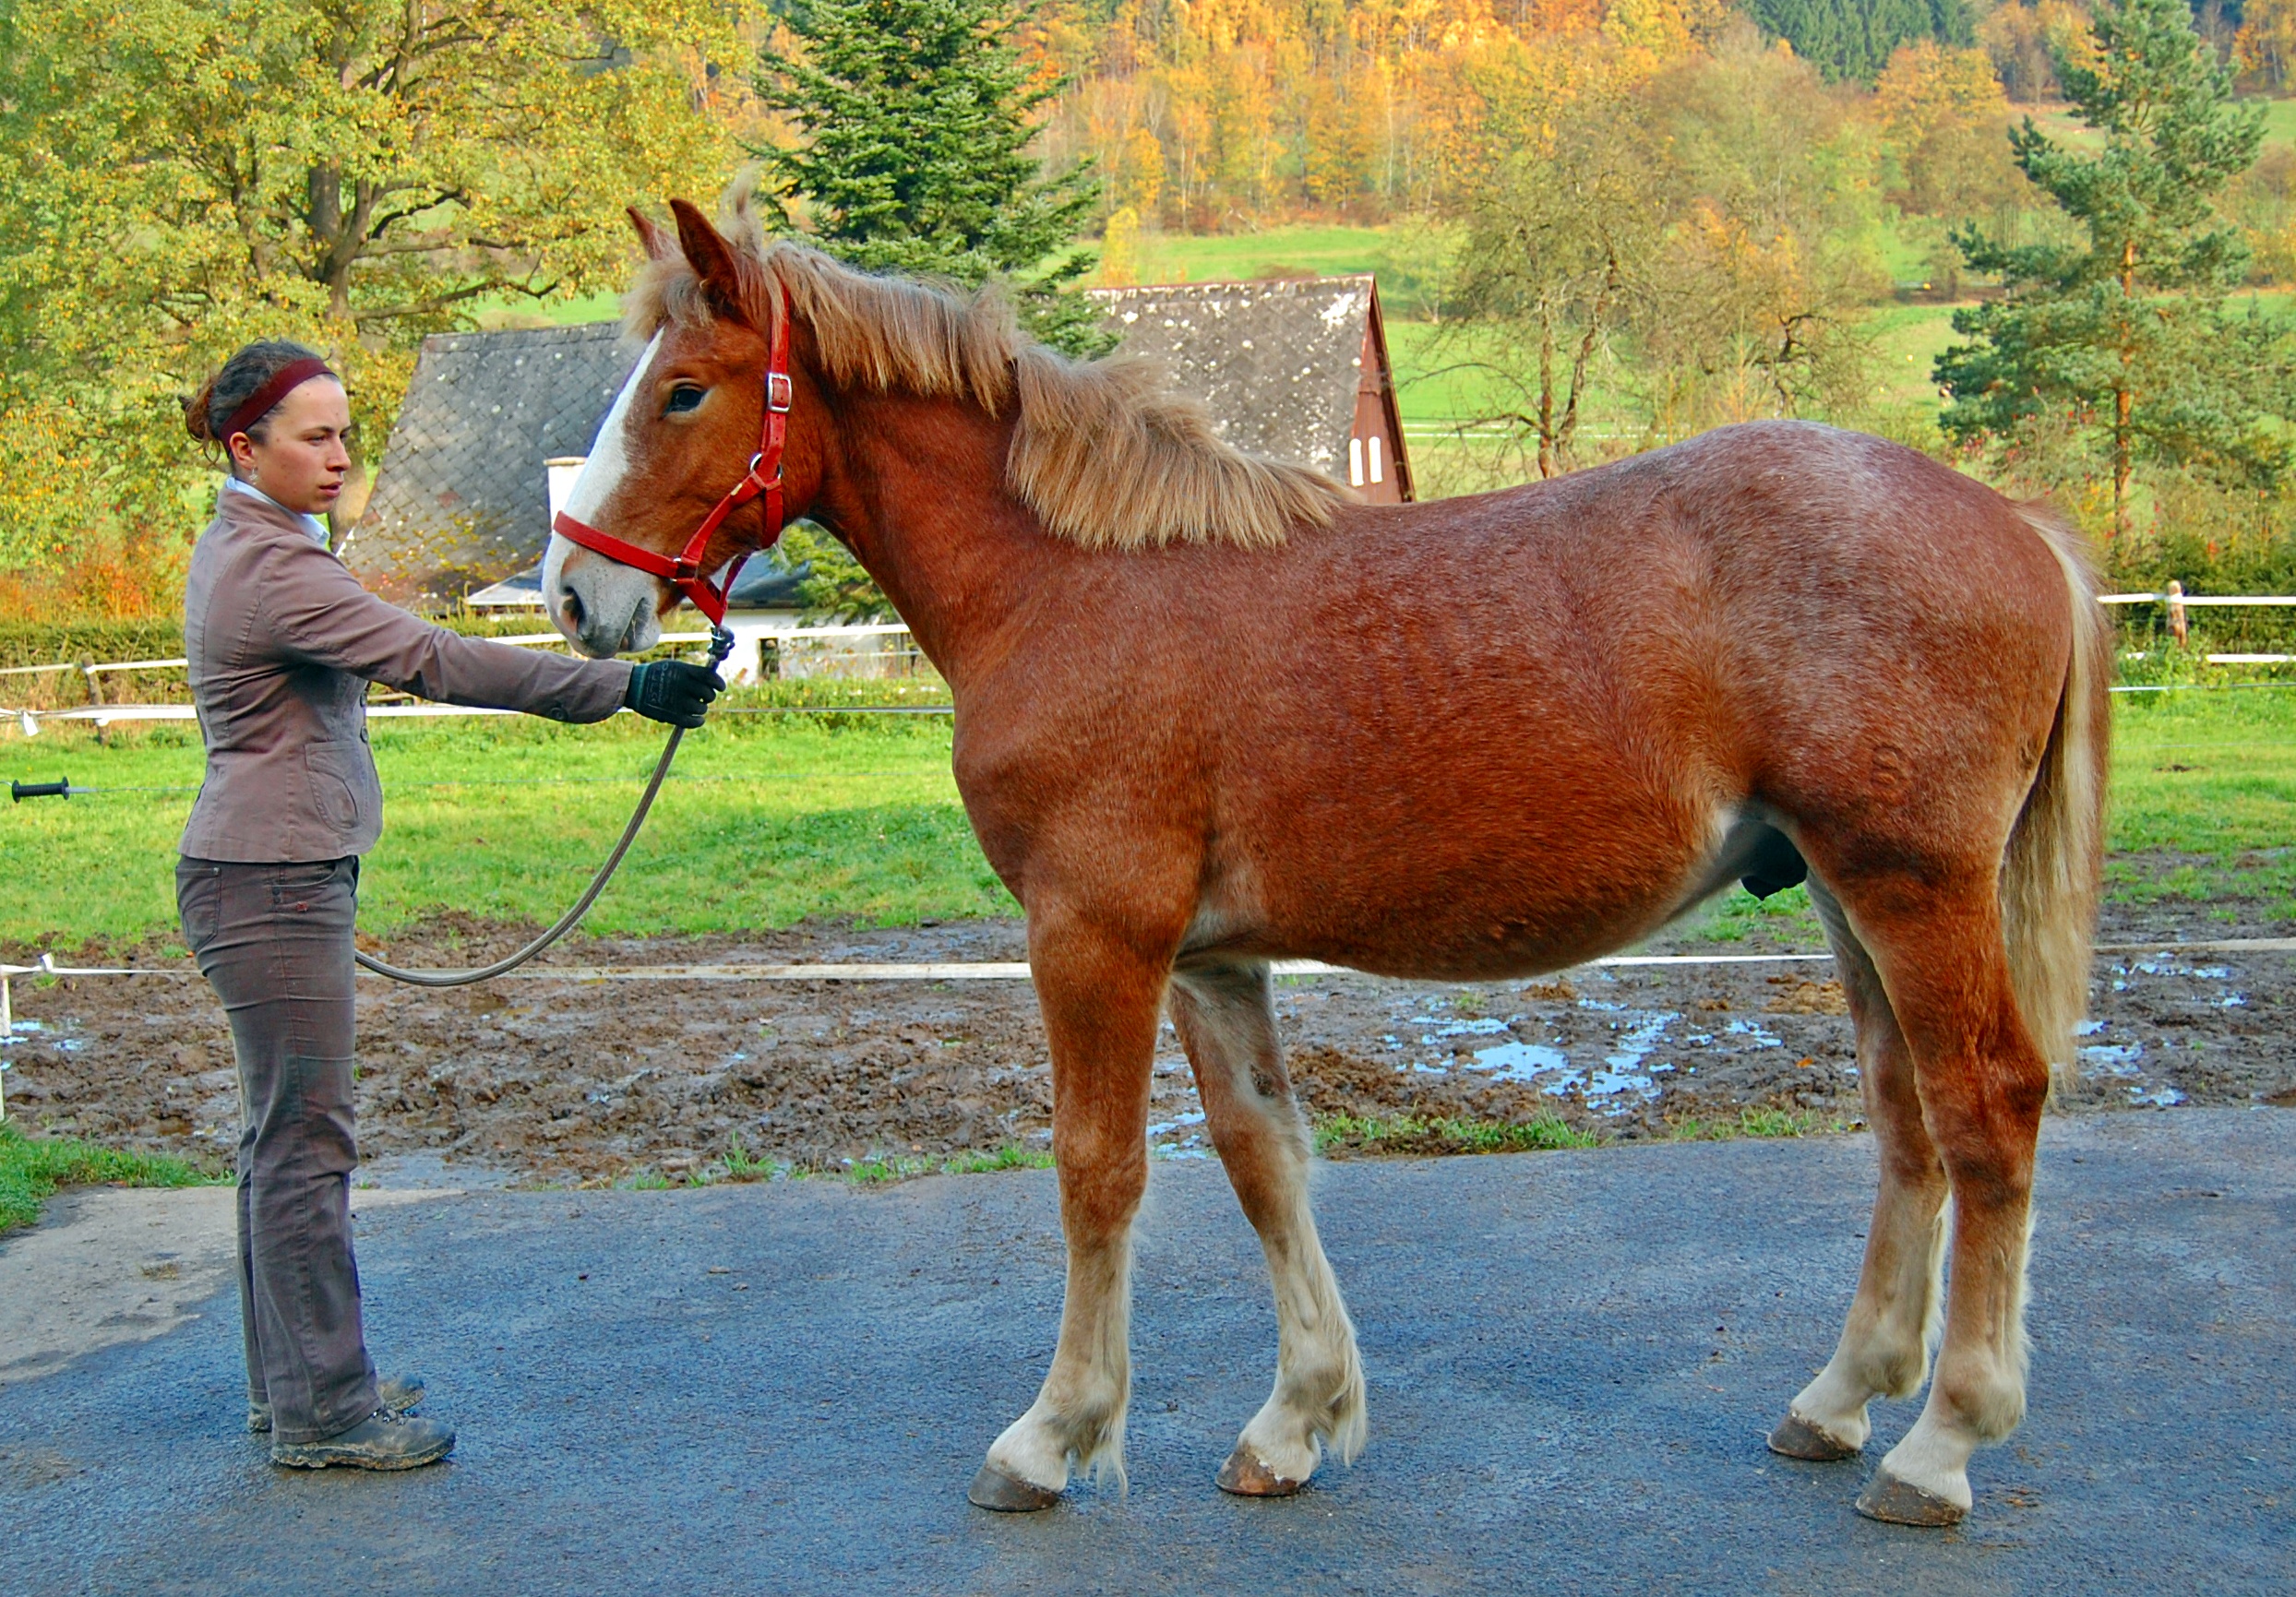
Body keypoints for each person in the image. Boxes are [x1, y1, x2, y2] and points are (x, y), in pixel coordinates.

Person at [175, 340, 722, 1470]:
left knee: (279, 1141)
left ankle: (298, 1388)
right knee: (304, 1146)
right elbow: (429, 657)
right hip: (270, 881)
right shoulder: (276, 570)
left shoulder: (256, 545)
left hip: (267, 872)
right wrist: (622, 686)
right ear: (246, 447)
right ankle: (324, 1415)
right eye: (313, 438)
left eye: (343, 434)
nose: (338, 458)